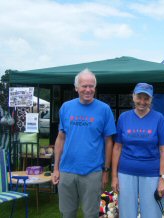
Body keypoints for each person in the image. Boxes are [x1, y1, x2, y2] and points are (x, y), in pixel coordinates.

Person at [52, 69, 116, 218]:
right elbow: (60, 138)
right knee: (67, 213)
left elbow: (109, 142)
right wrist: (56, 168)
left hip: (92, 172)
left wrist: (105, 171)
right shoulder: (66, 108)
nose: (88, 89)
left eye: (91, 86)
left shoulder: (104, 109)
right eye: (84, 86)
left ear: (95, 87)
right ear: (76, 88)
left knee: (91, 214)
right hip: (66, 170)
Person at [111, 82, 164, 218]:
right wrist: (114, 177)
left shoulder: (158, 118)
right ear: (133, 97)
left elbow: (163, 150)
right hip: (126, 172)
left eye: (146, 98)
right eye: (139, 97)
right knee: (126, 214)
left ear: (151, 99)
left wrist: (162, 179)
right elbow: (117, 148)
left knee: (152, 214)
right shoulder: (124, 118)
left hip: (151, 173)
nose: (142, 102)